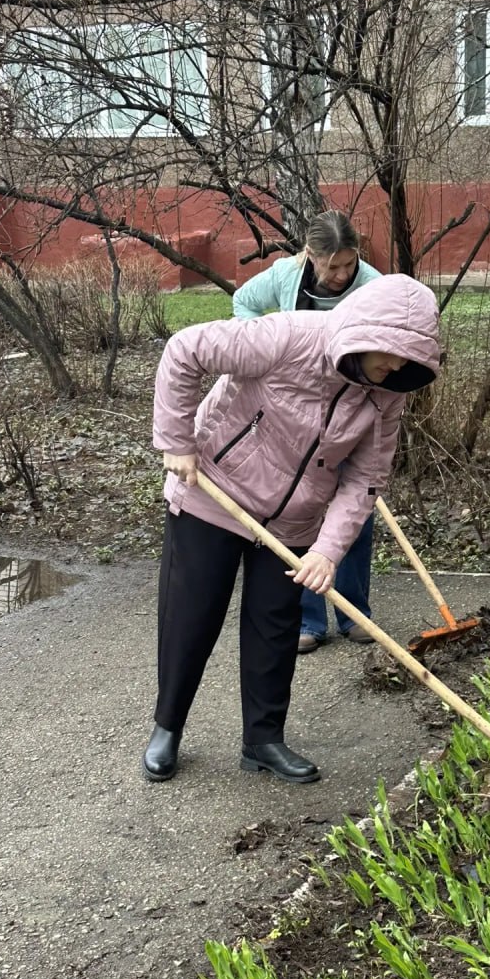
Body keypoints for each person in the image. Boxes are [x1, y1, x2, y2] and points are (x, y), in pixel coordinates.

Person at [143, 273, 440, 785]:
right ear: (363, 330)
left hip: (294, 518)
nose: (396, 367)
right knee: (192, 616)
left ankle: (263, 740)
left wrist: (328, 551)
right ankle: (167, 728)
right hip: (214, 494)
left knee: (275, 629)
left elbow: (367, 478)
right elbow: (185, 349)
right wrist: (177, 440)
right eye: (390, 353)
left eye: (408, 361)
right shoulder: (290, 337)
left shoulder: (386, 394)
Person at [232, 210, 383, 654]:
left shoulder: (372, 287)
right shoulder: (286, 275)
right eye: (331, 266)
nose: (341, 275)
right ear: (309, 256)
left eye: (348, 264)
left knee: (354, 512)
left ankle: (355, 613)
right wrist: (263, 351)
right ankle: (309, 620)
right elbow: (244, 302)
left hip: (353, 410)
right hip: (295, 412)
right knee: (302, 509)